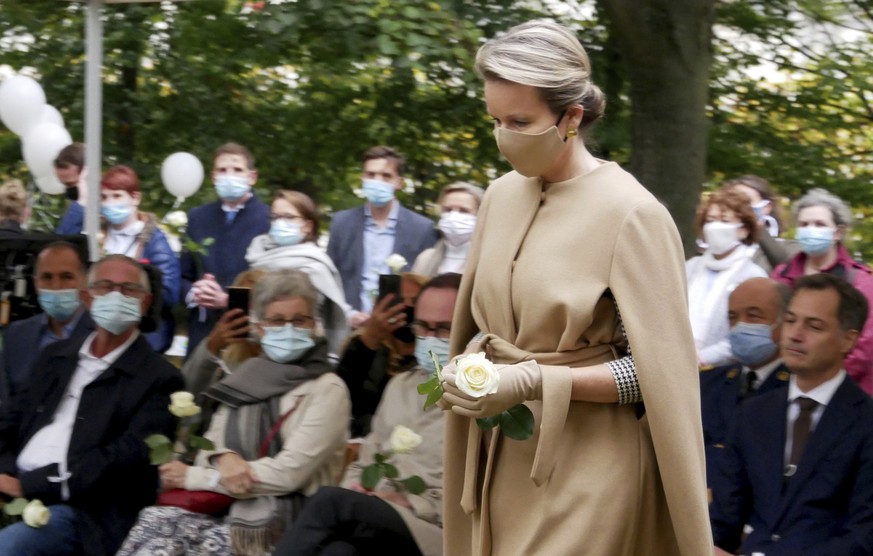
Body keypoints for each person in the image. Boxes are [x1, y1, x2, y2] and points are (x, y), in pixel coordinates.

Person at [438, 20, 712, 555]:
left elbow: (657, 374)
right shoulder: (497, 196)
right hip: (499, 457)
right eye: (495, 119)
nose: (503, 135)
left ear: (572, 118)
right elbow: (476, 328)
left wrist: (533, 380)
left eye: (520, 120)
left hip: (590, 469)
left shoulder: (633, 213)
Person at [117, 269, 351, 556]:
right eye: (277, 320)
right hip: (224, 507)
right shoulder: (245, 379)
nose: (289, 328)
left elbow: (289, 474)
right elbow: (209, 449)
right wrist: (224, 457)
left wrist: (200, 477)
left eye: (299, 320)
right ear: (261, 327)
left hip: (289, 519)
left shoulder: (328, 388)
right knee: (152, 526)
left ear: (314, 324)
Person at [0, 254, 184, 556]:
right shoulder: (55, 357)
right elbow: (10, 420)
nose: (116, 296)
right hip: (13, 486)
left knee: (9, 547)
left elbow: (123, 460)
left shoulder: (160, 378)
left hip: (83, 511)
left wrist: (29, 485)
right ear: (87, 297)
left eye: (128, 290)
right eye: (106, 287)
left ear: (145, 302)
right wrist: (5, 476)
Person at [273, 273, 460, 556]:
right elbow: (364, 462)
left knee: (331, 503)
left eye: (444, 329)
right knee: (338, 551)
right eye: (423, 327)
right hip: (377, 517)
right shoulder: (401, 386)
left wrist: (411, 502)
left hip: (439, 531)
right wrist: (358, 489)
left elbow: (489, 501)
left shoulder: (492, 400)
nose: (431, 338)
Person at [710, 273, 873, 555]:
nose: (795, 335)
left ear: (848, 340)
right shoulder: (753, 414)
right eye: (790, 320)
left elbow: (864, 535)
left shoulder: (866, 421)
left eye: (814, 326)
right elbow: (724, 518)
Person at [771, 188, 873, 394]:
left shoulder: (860, 280)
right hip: (781, 388)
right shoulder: (781, 275)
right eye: (804, 224)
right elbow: (771, 328)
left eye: (819, 224)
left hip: (841, 391)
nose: (811, 230)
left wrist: (819, 380)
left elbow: (864, 344)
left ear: (838, 232)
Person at [326, 145, 438, 327]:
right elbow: (330, 278)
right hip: (351, 327)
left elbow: (424, 283)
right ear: (362, 179)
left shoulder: (422, 228)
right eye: (371, 175)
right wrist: (348, 313)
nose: (377, 182)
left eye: (386, 176)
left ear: (399, 182)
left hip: (400, 330)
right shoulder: (342, 223)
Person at [180, 142, 270, 358]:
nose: (229, 175)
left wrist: (226, 299)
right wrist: (195, 293)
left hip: (246, 333)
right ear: (213, 176)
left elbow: (270, 283)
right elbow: (183, 274)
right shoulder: (197, 217)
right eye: (222, 170)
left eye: (237, 170)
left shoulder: (269, 219)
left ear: (252, 177)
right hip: (202, 331)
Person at [700, 277, 791, 487]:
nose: (741, 325)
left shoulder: (799, 392)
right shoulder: (706, 382)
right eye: (733, 317)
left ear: (786, 321)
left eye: (753, 315)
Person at [246, 189, 352, 357]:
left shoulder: (315, 266)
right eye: (275, 217)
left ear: (307, 226)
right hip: (254, 352)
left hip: (299, 354)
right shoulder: (258, 255)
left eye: (288, 217)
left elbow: (309, 321)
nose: (280, 223)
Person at [0, 242, 95, 408]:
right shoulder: (15, 335)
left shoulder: (103, 335)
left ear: (84, 281)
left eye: (66, 277)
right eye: (47, 277)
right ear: (36, 284)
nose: (56, 286)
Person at [97, 165, 181, 353]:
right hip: (99, 334)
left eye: (117, 196)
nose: (109, 203)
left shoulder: (155, 241)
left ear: (135, 198)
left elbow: (169, 295)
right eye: (104, 197)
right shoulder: (96, 237)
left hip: (143, 337)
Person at [336, 273, 425, 438]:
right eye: (399, 302)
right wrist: (370, 339)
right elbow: (340, 395)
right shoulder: (363, 345)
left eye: (415, 302)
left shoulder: (433, 353)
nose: (406, 308)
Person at [687, 189, 768, 367]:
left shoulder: (753, 277)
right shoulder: (691, 267)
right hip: (674, 364)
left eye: (725, 221)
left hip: (720, 374)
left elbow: (747, 334)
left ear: (744, 229)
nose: (715, 227)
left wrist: (703, 358)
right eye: (710, 221)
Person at [722, 175, 801, 273]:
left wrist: (758, 230)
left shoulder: (789, 247)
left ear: (766, 207)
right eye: (733, 201)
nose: (738, 207)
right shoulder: (715, 247)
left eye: (746, 201)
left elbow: (788, 271)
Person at [411, 182, 485, 277]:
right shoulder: (425, 259)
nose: (453, 216)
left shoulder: (486, 262)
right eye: (448, 210)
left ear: (480, 215)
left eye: (463, 210)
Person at [54, 142, 88, 235]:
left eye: (71, 184)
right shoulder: (76, 208)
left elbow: (66, 237)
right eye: (64, 185)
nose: (68, 189)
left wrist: (81, 204)